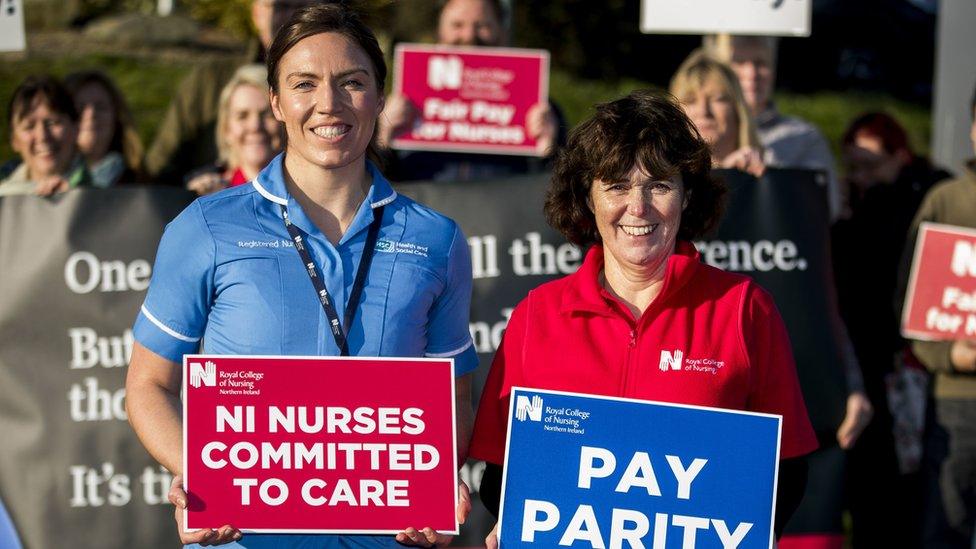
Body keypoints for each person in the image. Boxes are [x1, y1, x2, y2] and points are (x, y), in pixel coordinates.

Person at [126, 5, 477, 548]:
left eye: (352, 83)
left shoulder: (438, 240)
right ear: (276, 101)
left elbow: (454, 396)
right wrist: (199, 472)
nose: (328, 104)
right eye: (304, 83)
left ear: (380, 97)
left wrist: (435, 485)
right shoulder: (205, 227)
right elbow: (147, 385)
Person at [468, 90, 818, 546]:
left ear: (687, 196)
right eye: (616, 185)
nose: (638, 206)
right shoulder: (537, 314)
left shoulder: (744, 308)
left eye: (659, 184)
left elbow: (786, 469)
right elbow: (502, 470)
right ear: (588, 199)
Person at [833, 112, 950, 548]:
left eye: (871, 164)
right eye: (854, 166)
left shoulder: (920, 199)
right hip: (872, 363)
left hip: (909, 362)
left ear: (900, 156)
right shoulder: (856, 206)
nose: (861, 176)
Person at [898, 86, 976, 549]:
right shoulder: (946, 201)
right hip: (956, 400)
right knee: (944, 527)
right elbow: (910, 303)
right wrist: (948, 353)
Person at [378, 0, 563, 182]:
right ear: (439, 32)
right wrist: (383, 138)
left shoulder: (542, 109)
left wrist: (548, 150)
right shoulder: (399, 105)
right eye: (457, 25)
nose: (468, 36)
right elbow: (369, 185)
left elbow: (559, 193)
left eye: (482, 25)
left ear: (502, 31)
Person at [145, 0, 321, 184]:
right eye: (281, 7)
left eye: (303, 8)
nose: (292, 17)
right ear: (257, 13)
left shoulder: (341, 77)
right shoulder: (210, 80)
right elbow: (161, 165)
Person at [704, 34, 843, 221]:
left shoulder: (804, 137)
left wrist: (766, 179)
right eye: (739, 62)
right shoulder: (696, 131)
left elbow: (827, 208)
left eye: (761, 63)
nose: (751, 73)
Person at [184, 64, 283, 195]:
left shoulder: (311, 193)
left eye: (267, 114)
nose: (255, 126)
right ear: (226, 129)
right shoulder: (206, 196)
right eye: (242, 116)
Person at [669, 49, 765, 177]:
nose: (704, 111)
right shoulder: (661, 182)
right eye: (690, 101)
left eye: (717, 99)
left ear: (737, 109)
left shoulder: (770, 175)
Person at [1, 75, 90, 196]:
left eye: (52, 122)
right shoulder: (5, 199)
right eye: (29, 126)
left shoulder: (106, 200)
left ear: (76, 128)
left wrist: (74, 200)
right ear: (14, 140)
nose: (42, 136)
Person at [64, 70, 145, 187]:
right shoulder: (42, 184)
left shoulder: (141, 184)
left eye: (101, 107)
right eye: (80, 107)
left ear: (116, 117)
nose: (91, 114)